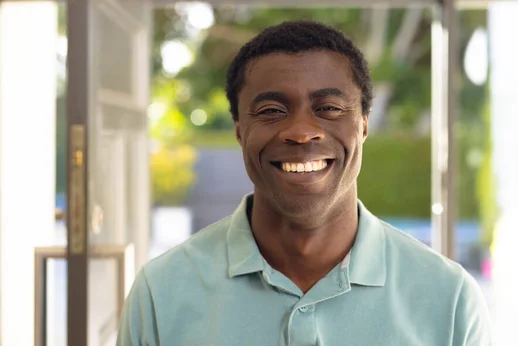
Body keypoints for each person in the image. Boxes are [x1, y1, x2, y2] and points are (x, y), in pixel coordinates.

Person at [117, 20, 492, 345]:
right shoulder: (161, 293)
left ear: (363, 125)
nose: (301, 131)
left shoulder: (450, 299)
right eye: (271, 111)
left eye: (328, 108)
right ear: (238, 131)